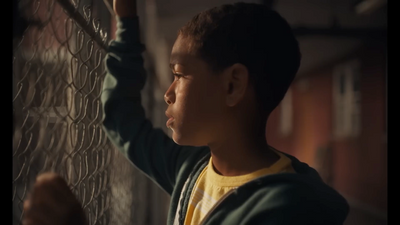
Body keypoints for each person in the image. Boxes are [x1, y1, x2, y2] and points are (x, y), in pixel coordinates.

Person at [22, 0, 350, 224]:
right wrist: (126, 23)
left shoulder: (284, 211)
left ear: (233, 86)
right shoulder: (191, 168)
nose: (168, 93)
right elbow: (121, 116)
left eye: (179, 74)